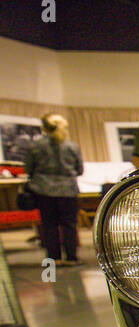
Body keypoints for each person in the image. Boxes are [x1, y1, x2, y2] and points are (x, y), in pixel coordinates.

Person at [23, 114, 84, 265]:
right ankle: (71, 257)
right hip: (68, 190)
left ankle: (54, 258)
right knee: (69, 224)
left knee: (49, 224)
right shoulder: (72, 146)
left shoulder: (35, 146)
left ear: (43, 128)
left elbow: (28, 169)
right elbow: (79, 170)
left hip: (43, 190)